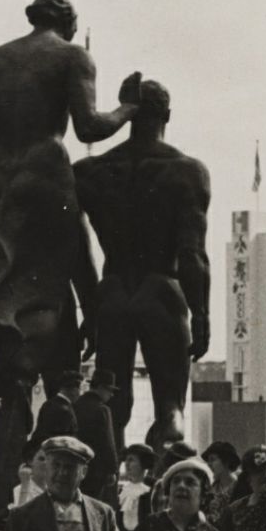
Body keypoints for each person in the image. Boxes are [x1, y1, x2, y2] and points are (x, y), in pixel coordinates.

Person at [0, 0, 140, 513]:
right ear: (68, 23)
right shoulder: (72, 56)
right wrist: (129, 107)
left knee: (6, 289)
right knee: (64, 276)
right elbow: (88, 127)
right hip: (46, 172)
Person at [74, 79, 211, 449]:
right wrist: (200, 315)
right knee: (170, 406)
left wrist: (91, 307)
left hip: (114, 291)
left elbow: (75, 249)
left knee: (110, 405)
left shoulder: (89, 171)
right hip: (161, 289)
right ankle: (162, 483)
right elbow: (191, 255)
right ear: (166, 114)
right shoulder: (185, 171)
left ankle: (106, 489)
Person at [75, 369, 120, 503]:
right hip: (96, 469)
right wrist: (112, 470)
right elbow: (108, 442)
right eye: (109, 390)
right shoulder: (102, 410)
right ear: (100, 388)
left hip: (76, 465)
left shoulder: (76, 405)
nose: (111, 395)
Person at [34, 370, 84, 442]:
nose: (80, 393)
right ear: (74, 390)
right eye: (80, 389)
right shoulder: (65, 412)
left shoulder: (47, 404)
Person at [117, 444, 154, 531]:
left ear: (144, 463)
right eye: (126, 460)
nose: (126, 464)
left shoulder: (152, 488)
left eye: (131, 460)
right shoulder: (123, 490)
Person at [202, 441, 241, 528]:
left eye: (212, 459)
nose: (209, 464)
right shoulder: (209, 491)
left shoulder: (241, 487)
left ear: (226, 461)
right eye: (208, 461)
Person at [12, 435, 48, 508]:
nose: (47, 463)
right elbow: (20, 518)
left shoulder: (56, 487)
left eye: (49, 459)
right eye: (41, 459)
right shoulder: (19, 490)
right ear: (30, 461)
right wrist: (25, 484)